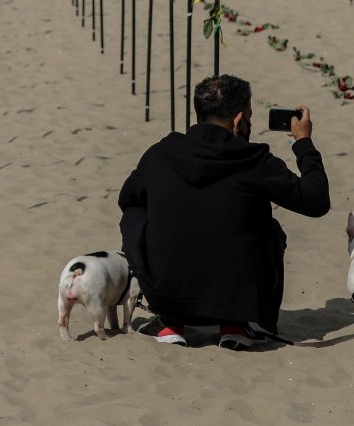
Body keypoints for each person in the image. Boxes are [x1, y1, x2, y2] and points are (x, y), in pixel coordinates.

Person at [118, 74, 329, 349]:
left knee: (135, 215)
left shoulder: (159, 153)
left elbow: (128, 199)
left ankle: (171, 321)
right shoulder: (255, 160)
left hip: (166, 290)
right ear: (239, 121)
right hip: (235, 297)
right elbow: (316, 200)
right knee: (269, 229)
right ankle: (233, 323)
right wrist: (303, 142)